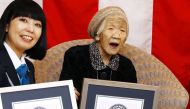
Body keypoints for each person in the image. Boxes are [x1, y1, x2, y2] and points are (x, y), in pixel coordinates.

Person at [59, 6, 137, 100]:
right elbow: (64, 95)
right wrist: (67, 93)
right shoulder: (75, 56)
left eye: (122, 30)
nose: (117, 35)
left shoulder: (127, 66)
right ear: (97, 34)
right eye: (111, 28)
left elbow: (132, 100)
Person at [0, 0, 47, 87]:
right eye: (23, 20)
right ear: (6, 25)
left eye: (37, 25)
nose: (31, 29)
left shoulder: (29, 67)